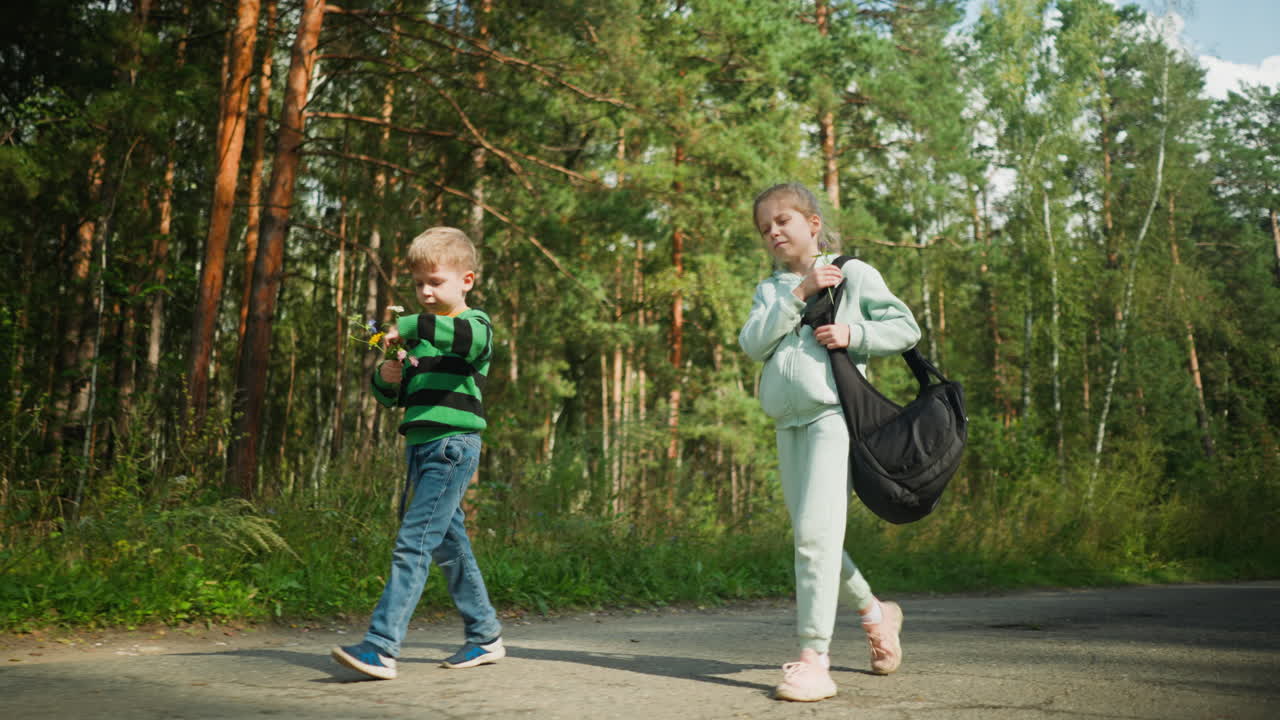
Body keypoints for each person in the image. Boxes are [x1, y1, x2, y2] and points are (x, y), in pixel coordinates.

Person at [738, 182, 921, 702]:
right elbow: (752, 344)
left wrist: (853, 334)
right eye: (765, 227)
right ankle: (875, 612)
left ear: (812, 224)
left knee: (814, 539)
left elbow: (905, 328)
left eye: (783, 221)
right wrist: (798, 295)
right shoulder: (772, 290)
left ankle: (814, 660)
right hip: (786, 423)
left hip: (832, 419)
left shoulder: (853, 273)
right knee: (813, 538)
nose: (773, 231)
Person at [332, 226, 504, 680]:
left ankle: (381, 647)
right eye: (418, 284)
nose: (425, 292)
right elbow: (398, 397)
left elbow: (469, 342)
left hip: (453, 447)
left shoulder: (475, 325)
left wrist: (403, 326)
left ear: (466, 280)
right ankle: (485, 635)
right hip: (422, 445)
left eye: (436, 282)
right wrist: (388, 379)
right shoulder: (422, 342)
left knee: (414, 542)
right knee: (449, 545)